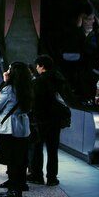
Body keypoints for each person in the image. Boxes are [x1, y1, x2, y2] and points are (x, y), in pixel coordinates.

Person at [0, 61, 33, 197]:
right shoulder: (27, 88)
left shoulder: (9, 89)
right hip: (23, 127)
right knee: (21, 159)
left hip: (10, 127)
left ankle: (12, 191)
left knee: (12, 160)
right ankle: (19, 186)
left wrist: (2, 89)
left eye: (9, 69)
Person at [29, 54, 69, 186]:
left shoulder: (39, 82)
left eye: (37, 66)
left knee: (37, 148)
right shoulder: (59, 80)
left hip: (41, 119)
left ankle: (37, 175)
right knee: (53, 149)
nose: (36, 68)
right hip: (56, 120)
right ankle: (52, 177)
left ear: (42, 66)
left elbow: (35, 102)